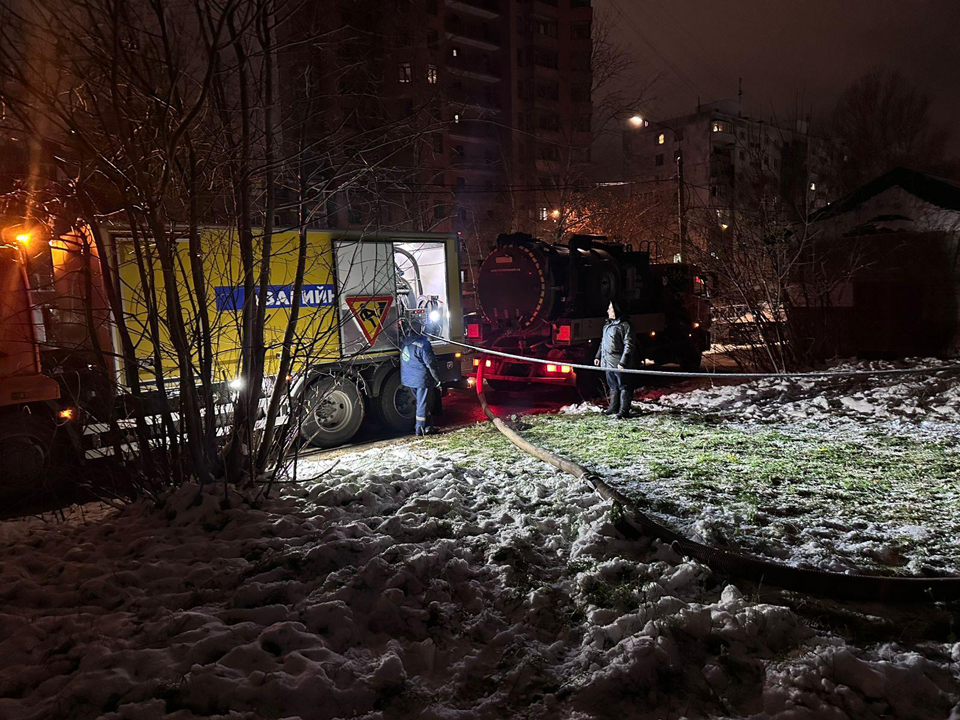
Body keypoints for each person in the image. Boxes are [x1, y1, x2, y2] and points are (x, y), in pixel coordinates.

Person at [593, 301, 636, 419]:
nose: (608, 311)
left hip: (619, 363)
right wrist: (598, 356)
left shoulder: (625, 326)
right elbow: (603, 343)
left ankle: (624, 411)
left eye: (610, 308)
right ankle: (613, 407)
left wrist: (623, 362)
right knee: (612, 385)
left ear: (617, 310)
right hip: (608, 362)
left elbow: (629, 345)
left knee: (624, 386)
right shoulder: (607, 326)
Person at [400, 317, 442, 436]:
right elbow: (431, 363)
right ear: (421, 329)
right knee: (422, 403)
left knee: (421, 402)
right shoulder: (424, 344)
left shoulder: (405, 342)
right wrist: (437, 379)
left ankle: (429, 426)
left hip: (408, 379)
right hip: (421, 379)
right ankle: (420, 430)